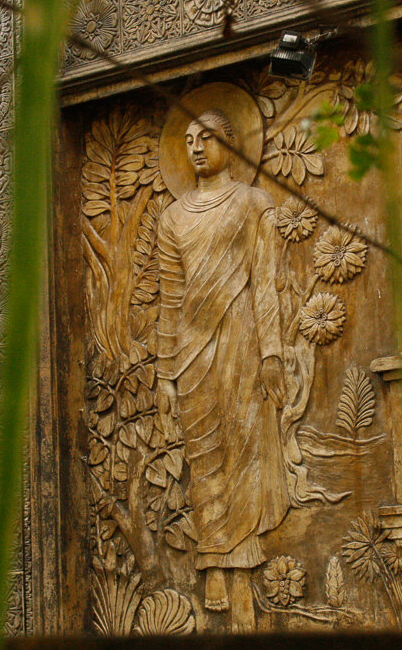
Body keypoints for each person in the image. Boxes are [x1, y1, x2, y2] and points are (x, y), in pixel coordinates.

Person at [155, 109, 288, 630]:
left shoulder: (254, 204)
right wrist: (165, 373)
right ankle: (214, 559)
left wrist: (272, 353)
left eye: (206, 137)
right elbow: (169, 301)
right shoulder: (173, 218)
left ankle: (240, 574)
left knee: (244, 448)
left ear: (230, 144)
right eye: (187, 140)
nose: (194, 147)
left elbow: (266, 282)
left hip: (241, 339)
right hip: (190, 351)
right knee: (205, 458)